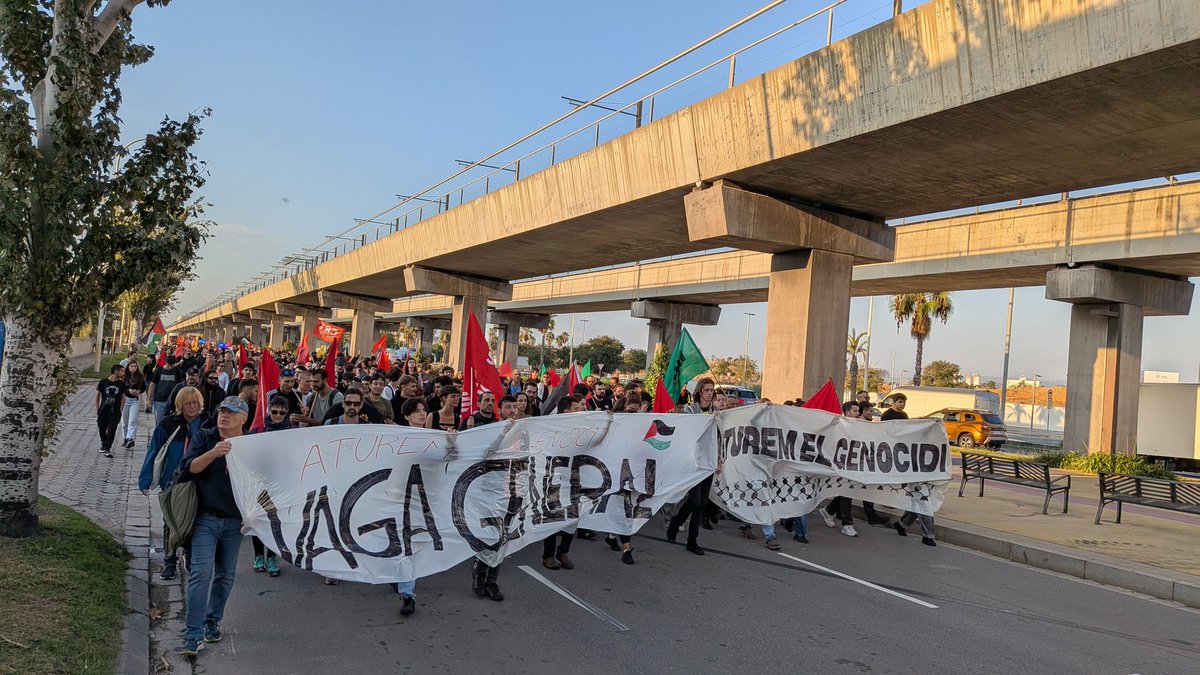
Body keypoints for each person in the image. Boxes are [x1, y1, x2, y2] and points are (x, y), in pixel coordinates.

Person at [175, 396, 249, 658]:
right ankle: (193, 634)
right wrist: (214, 452)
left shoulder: (252, 445)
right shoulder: (205, 437)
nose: (224, 416)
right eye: (221, 411)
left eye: (231, 412)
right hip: (205, 518)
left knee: (225, 575)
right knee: (200, 574)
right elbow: (188, 468)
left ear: (243, 419)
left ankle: (212, 620)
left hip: (234, 523)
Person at [141, 386, 208, 580]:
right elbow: (153, 451)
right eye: (187, 403)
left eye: (195, 403)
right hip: (172, 480)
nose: (192, 407)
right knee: (170, 522)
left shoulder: (205, 423)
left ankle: (189, 553)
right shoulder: (168, 424)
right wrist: (145, 480)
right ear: (180, 404)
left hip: (198, 480)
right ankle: (170, 561)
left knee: (194, 520)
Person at [470, 395, 520, 602]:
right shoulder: (491, 430)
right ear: (500, 410)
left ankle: (492, 581)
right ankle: (478, 574)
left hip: (512, 490)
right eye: (508, 407)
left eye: (515, 407)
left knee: (503, 538)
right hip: (489, 490)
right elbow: (483, 452)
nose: (513, 411)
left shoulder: (523, 432)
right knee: (489, 535)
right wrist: (502, 434)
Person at [669, 377, 719, 554]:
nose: (709, 393)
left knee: (702, 504)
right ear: (699, 391)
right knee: (694, 499)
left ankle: (692, 541)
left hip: (709, 460)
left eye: (712, 390)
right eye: (706, 390)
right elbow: (686, 433)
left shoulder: (717, 412)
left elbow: (720, 437)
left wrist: (719, 459)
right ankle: (676, 522)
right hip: (692, 461)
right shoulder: (690, 410)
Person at [543, 396, 583, 571]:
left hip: (574, 478)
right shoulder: (552, 427)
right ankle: (548, 555)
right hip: (555, 478)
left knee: (574, 516)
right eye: (577, 408)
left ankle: (563, 551)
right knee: (553, 516)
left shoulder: (581, 428)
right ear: (566, 412)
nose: (581, 411)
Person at [820, 401, 861, 538]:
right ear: (847, 412)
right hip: (839, 464)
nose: (858, 413)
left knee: (844, 491)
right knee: (846, 492)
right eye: (855, 411)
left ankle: (829, 511)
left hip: (852, 465)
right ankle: (847, 524)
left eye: (858, 410)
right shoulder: (839, 425)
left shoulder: (860, 426)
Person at [95, 364, 126, 458]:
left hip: (115, 411)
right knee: (102, 427)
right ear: (116, 371)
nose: (123, 373)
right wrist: (97, 408)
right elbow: (98, 395)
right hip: (104, 409)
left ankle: (108, 448)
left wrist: (120, 408)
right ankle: (104, 443)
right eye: (121, 371)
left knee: (112, 429)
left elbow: (123, 397)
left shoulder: (121, 384)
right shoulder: (103, 382)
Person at [147, 354, 183, 425]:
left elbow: (180, 385)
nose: (170, 367)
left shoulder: (177, 371)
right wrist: (149, 398)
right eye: (168, 365)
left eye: (172, 366)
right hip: (160, 400)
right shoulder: (159, 370)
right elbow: (152, 384)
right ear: (165, 363)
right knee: (160, 422)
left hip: (173, 400)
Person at [121, 359, 145, 449]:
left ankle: (130, 438)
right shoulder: (124, 377)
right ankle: (125, 438)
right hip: (125, 399)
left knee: (132, 421)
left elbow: (143, 387)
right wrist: (128, 390)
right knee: (124, 422)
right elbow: (121, 388)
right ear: (128, 367)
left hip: (134, 400)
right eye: (131, 366)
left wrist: (139, 391)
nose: (133, 368)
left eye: (135, 366)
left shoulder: (140, 376)